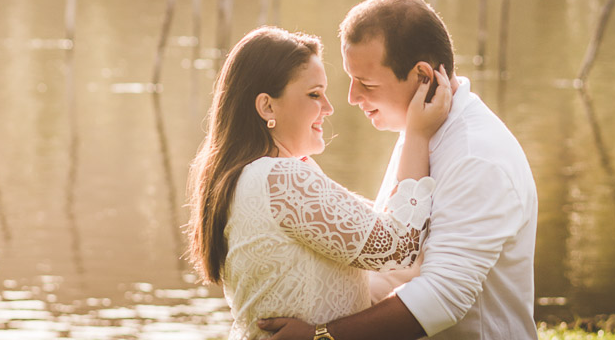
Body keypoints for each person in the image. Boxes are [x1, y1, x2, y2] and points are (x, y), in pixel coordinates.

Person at [259, 0, 538, 340]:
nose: (352, 98)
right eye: (351, 78)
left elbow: (441, 298)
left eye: (368, 83)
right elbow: (394, 268)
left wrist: (320, 335)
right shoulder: (421, 130)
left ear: (422, 77)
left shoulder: (476, 156)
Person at [186, 26, 454, 340]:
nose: (328, 108)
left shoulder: (248, 176)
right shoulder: (282, 180)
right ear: (267, 107)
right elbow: (400, 248)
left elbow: (378, 232)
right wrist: (416, 133)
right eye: (314, 94)